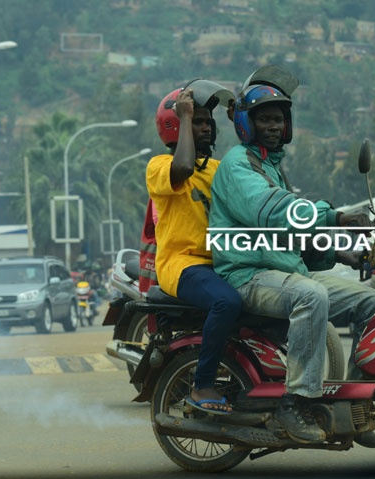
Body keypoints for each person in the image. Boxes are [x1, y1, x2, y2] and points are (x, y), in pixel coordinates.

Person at [209, 67, 375, 446]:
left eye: (279, 119)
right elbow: (274, 211)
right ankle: (296, 402)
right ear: (245, 123)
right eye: (265, 119)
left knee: (374, 303)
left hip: (284, 271)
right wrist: (337, 216)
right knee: (311, 296)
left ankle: (351, 406)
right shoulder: (238, 165)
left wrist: (340, 253)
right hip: (248, 274)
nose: (273, 126)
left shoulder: (273, 167)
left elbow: (294, 234)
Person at [147, 81, 241, 415]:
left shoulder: (218, 170)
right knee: (226, 301)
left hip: (223, 263)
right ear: (175, 126)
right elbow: (183, 168)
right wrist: (185, 117)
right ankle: (202, 385)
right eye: (197, 121)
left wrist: (241, 121)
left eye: (208, 122)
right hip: (181, 264)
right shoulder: (159, 166)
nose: (206, 127)